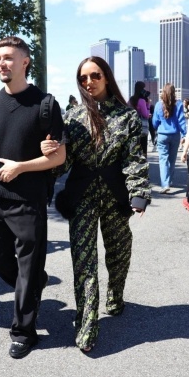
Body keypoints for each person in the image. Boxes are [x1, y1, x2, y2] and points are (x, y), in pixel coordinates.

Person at [41, 56, 151, 353]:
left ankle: (116, 295)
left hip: (115, 197)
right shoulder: (73, 117)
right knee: (83, 260)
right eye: (84, 78)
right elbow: (63, 166)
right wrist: (50, 153)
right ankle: (87, 323)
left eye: (95, 75)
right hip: (82, 196)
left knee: (118, 252)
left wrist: (138, 193)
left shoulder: (126, 116)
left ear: (106, 77)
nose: (89, 82)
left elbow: (134, 159)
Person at [0, 36, 66, 359]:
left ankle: (23, 331)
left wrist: (21, 167)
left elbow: (58, 158)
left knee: (28, 269)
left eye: (9, 57)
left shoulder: (45, 104)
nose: (2, 63)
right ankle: (33, 286)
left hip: (28, 201)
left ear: (25, 62)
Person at [152, 83, 186, 194]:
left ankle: (165, 184)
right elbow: (181, 121)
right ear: (174, 92)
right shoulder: (179, 104)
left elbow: (154, 122)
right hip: (175, 135)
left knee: (163, 160)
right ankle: (169, 180)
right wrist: (184, 134)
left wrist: (157, 127)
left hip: (162, 135)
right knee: (172, 160)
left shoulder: (158, 105)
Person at [128, 81, 150, 158]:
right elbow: (146, 115)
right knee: (143, 147)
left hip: (131, 127)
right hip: (141, 127)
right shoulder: (142, 101)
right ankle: (142, 162)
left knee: (133, 147)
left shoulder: (131, 100)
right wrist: (148, 105)